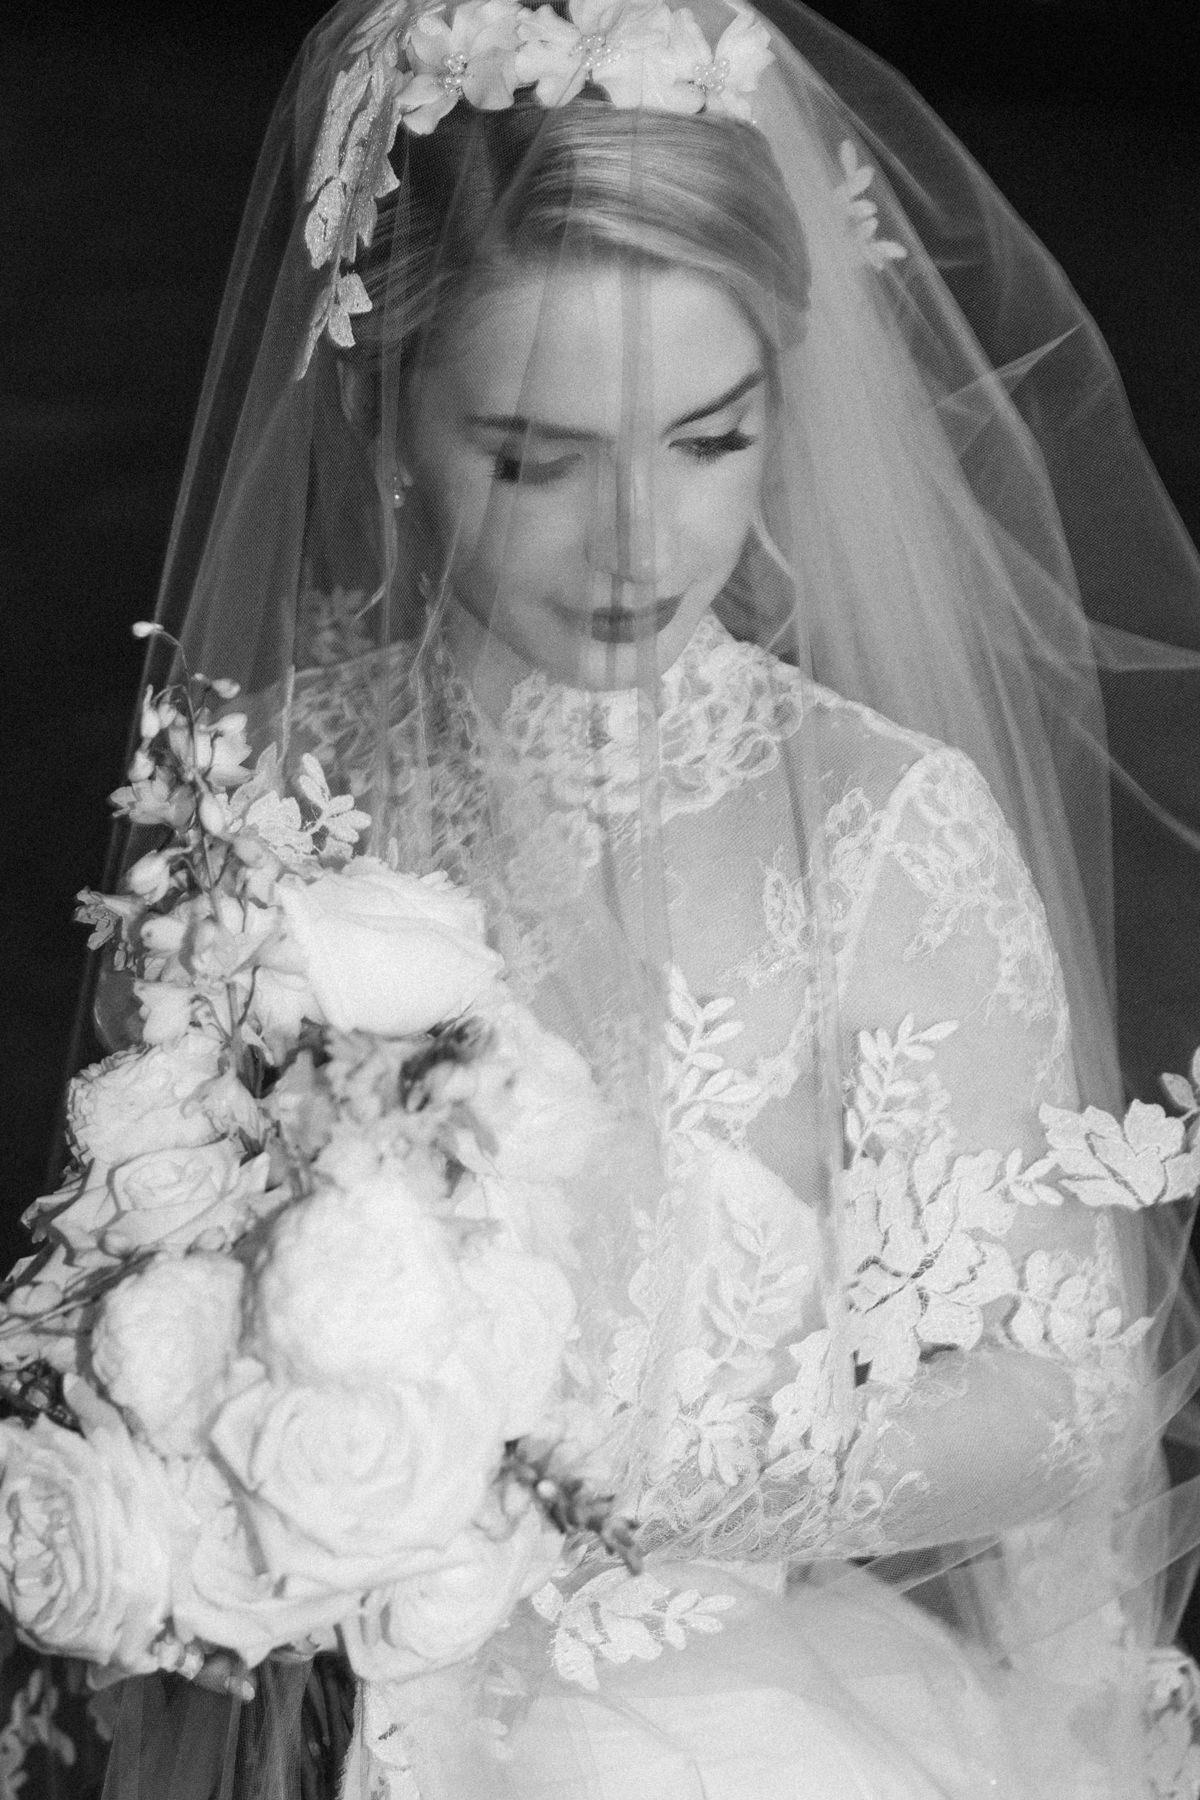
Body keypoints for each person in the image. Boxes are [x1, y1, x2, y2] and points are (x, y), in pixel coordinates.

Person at [9, 0, 1200, 1793]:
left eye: (709, 440)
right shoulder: (265, 782)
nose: (641, 544)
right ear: (384, 410)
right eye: (536, 459)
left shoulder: (873, 826)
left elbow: (1071, 1397)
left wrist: (668, 1475)